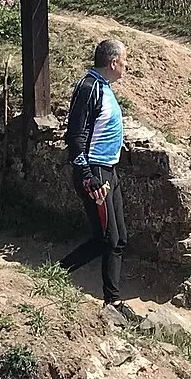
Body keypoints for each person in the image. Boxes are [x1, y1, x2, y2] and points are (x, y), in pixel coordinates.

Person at [60, 38, 137, 316]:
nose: (127, 65)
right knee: (108, 238)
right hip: (96, 173)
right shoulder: (89, 88)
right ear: (113, 62)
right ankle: (111, 301)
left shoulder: (103, 87)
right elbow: (75, 136)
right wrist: (88, 176)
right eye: (125, 60)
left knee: (118, 238)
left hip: (108, 171)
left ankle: (60, 273)